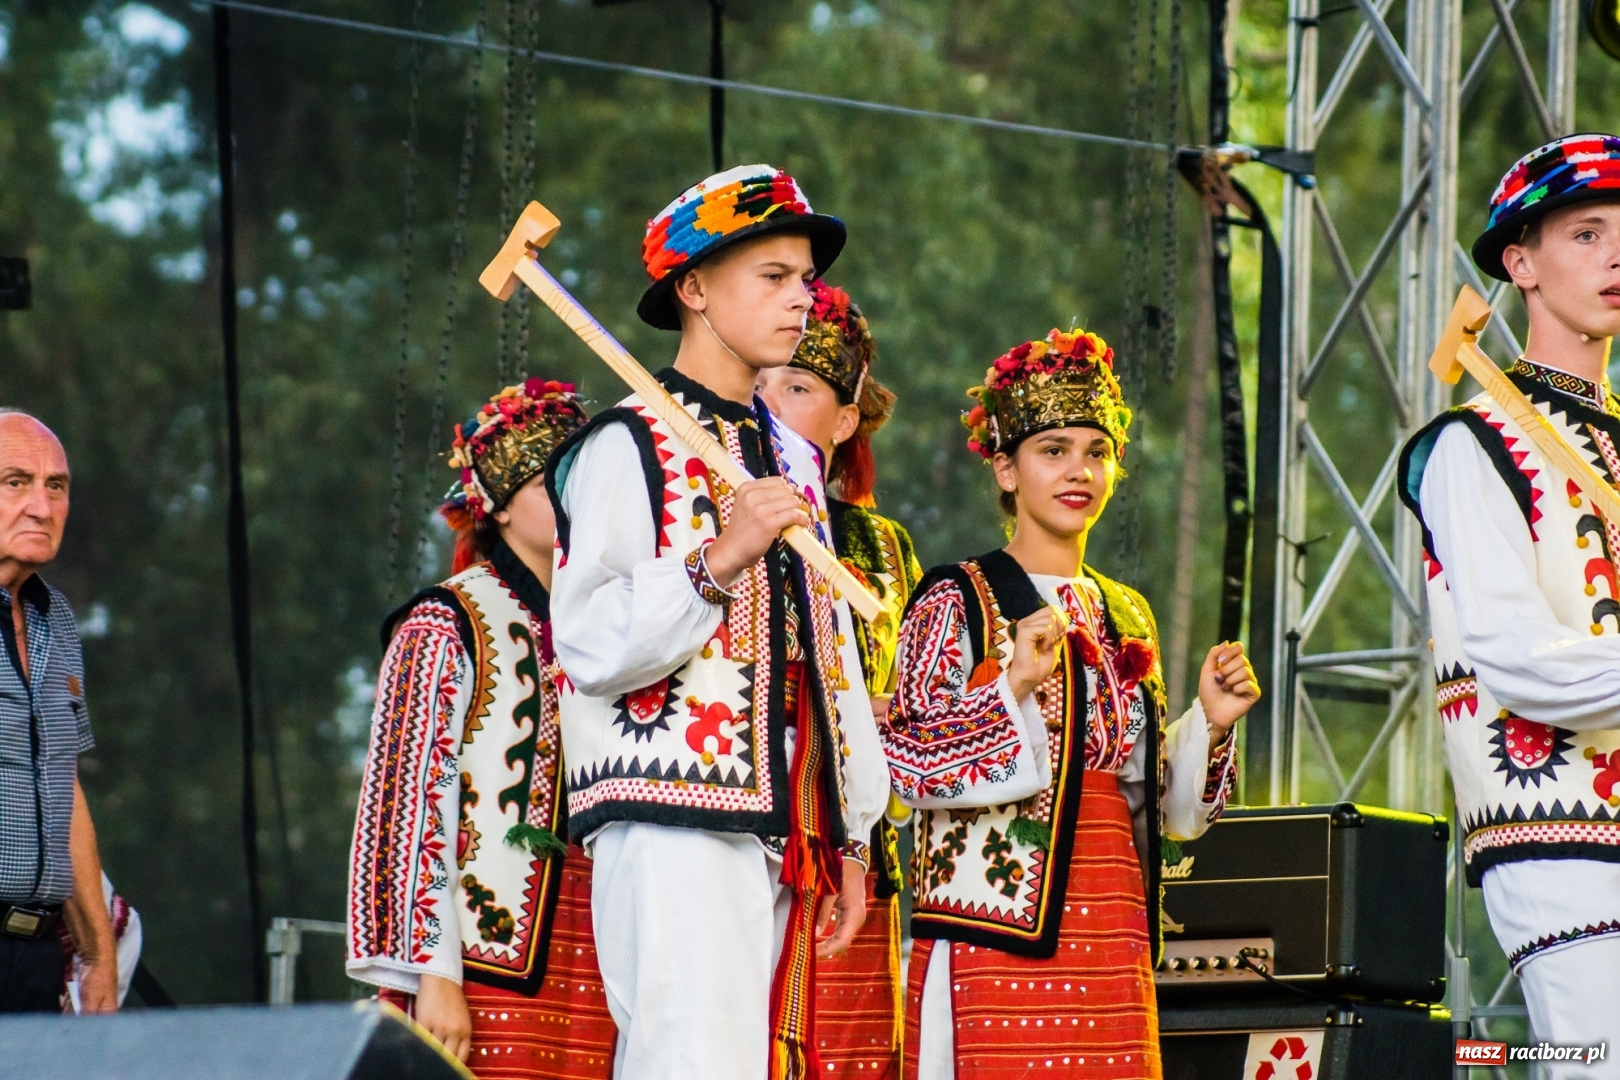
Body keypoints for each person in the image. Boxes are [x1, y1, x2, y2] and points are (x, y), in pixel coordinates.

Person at [545, 165, 889, 1080]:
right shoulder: (625, 443)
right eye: (771, 276)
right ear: (693, 289)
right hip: (671, 814)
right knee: (686, 1063)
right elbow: (586, 642)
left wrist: (850, 833)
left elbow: (827, 658)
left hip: (776, 822)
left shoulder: (779, 456)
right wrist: (716, 559)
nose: (800, 299)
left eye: (804, 279)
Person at [880, 331, 1257, 1079]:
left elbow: (1161, 806)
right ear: (1005, 468)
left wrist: (1208, 722)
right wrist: (1013, 682)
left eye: (1096, 450)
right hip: (993, 915)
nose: (1079, 470)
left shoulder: (1127, 613)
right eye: (1053, 450)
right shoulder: (959, 597)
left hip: (1111, 909)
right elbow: (909, 761)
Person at [1397, 133, 1620, 1077]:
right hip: (1566, 843)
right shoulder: (1468, 446)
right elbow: (1514, 656)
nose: (1616, 255)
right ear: (1519, 264)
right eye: (1586, 232)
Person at [347, 380, 616, 1078]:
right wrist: (432, 973)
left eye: (580, 478)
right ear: (492, 506)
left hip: (607, 948)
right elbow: (402, 808)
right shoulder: (445, 621)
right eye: (544, 481)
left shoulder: (621, 623)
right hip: (481, 964)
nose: (569, 498)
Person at [755, 279, 920, 1080]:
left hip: (856, 839)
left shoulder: (883, 547)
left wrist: (892, 718)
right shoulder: (714, 515)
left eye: (797, 387)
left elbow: (917, 693)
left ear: (846, 419)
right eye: (758, 384)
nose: (771, 403)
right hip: (750, 818)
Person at [0, 408, 117, 1014]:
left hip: (37, 956)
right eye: (15, 482)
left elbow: (61, 788)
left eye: (57, 486)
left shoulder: (59, 620)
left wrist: (99, 955)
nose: (42, 507)